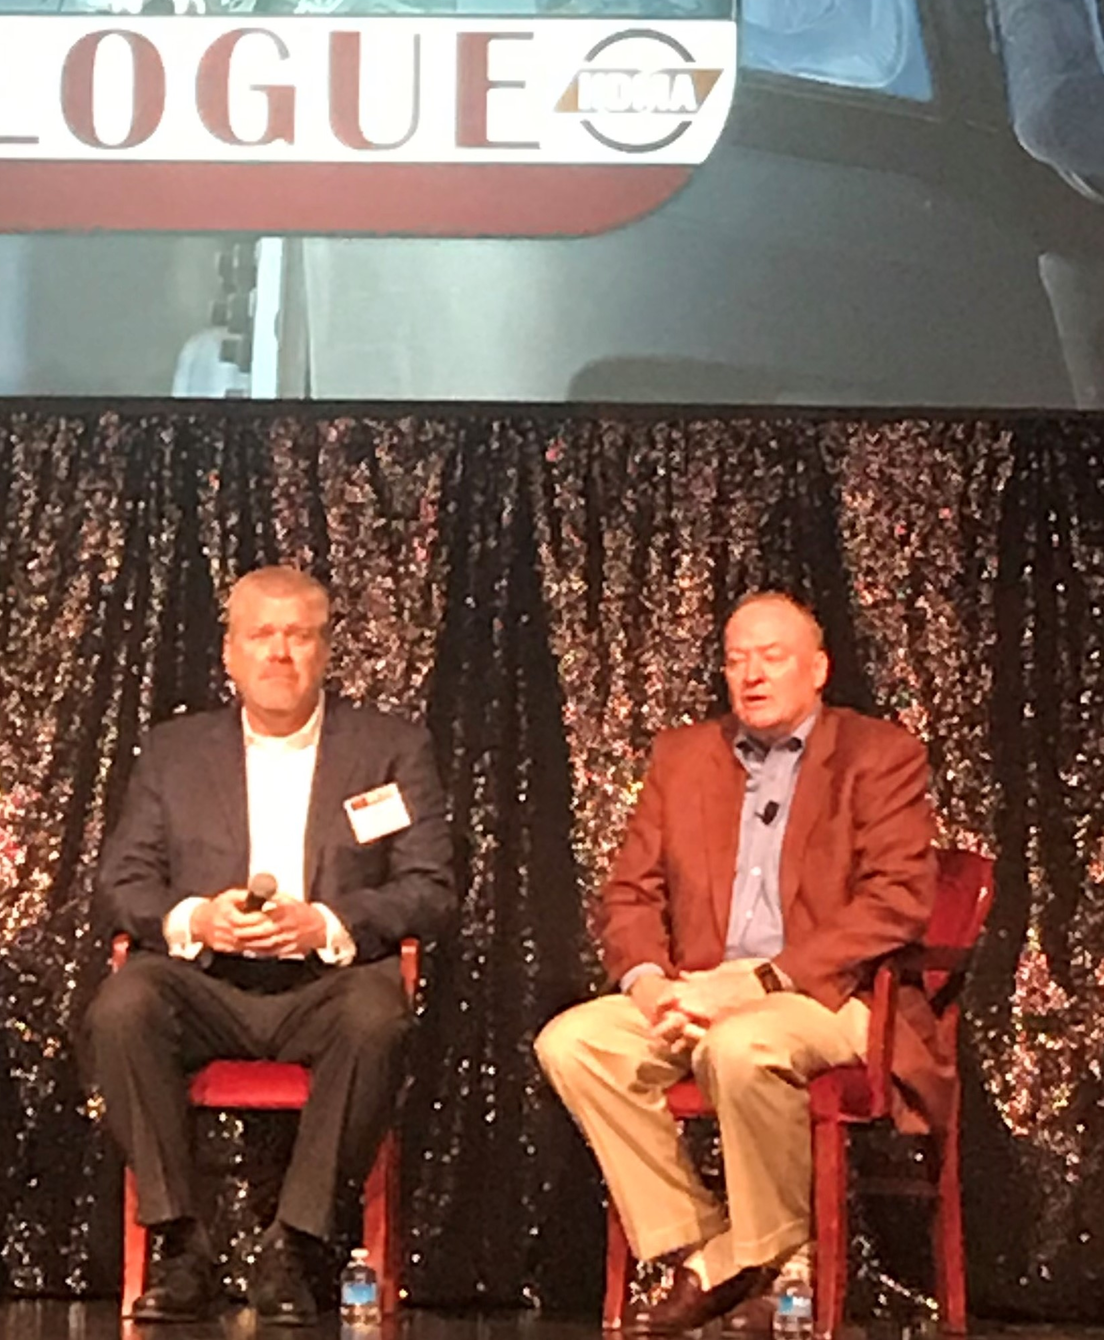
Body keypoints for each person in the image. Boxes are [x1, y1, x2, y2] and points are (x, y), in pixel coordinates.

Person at [535, 591, 942, 1334]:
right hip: (695, 983)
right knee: (574, 1041)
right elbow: (628, 892)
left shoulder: (878, 754)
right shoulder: (684, 755)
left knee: (742, 1043)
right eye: (736, 658)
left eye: (772, 656)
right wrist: (650, 981)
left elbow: (897, 902)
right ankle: (714, 1247)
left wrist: (757, 980)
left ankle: (755, 1258)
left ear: (817, 668)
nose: (752, 673)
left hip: (823, 993)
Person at [84, 565, 455, 1324]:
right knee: (122, 1005)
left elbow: (431, 887)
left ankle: (294, 1245)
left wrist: (329, 922)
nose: (279, 652)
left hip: (325, 983)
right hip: (210, 980)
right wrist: (196, 916)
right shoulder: (174, 750)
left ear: (325, 650)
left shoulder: (389, 748)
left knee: (376, 1017)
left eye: (299, 634)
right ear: (229, 652)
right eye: (262, 634)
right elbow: (119, 884)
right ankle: (181, 1242)